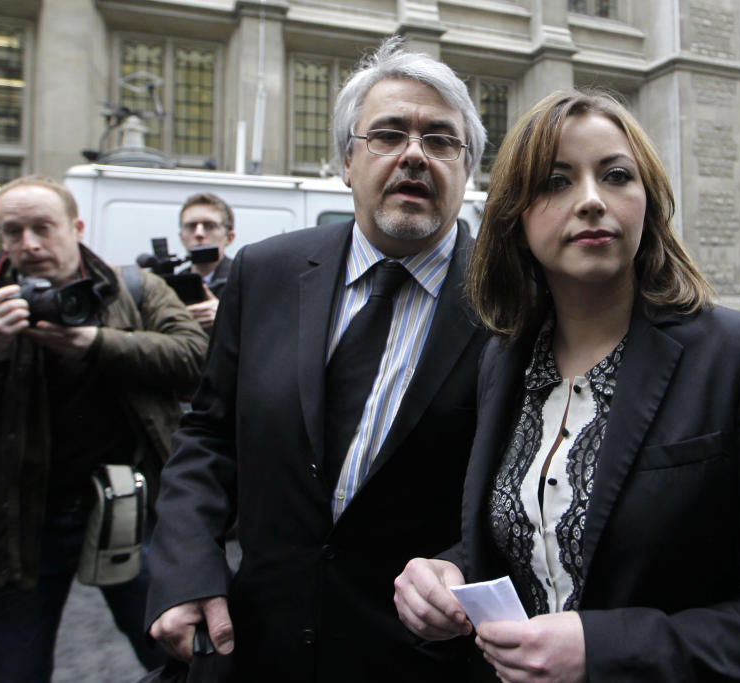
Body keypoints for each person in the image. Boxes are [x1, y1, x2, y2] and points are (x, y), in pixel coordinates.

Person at [393, 89, 740, 682]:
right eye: (555, 182)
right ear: (515, 219)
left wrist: (605, 648)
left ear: (647, 203)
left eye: (616, 175)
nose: (592, 201)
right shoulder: (503, 361)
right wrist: (445, 577)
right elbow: (530, 539)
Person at [145, 37, 489, 682]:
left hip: (415, 659)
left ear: (466, 170)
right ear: (346, 162)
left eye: (441, 140)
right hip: (256, 642)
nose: (415, 154)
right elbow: (210, 434)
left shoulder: (511, 305)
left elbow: (522, 490)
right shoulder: (268, 272)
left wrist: (459, 567)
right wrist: (186, 564)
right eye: (388, 134)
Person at [0, 174, 208, 682]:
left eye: (42, 228)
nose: (28, 244)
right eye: (12, 231)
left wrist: (96, 342)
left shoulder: (132, 287)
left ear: (76, 227)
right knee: (12, 671)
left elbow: (194, 357)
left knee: (180, 657)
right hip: (19, 522)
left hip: (128, 511)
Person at [177, 192, 235, 328]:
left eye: (210, 225)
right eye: (191, 226)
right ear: (181, 237)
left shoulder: (245, 279)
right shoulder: (173, 284)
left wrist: (226, 316)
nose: (199, 233)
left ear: (229, 237)